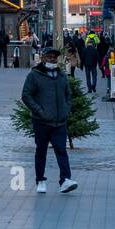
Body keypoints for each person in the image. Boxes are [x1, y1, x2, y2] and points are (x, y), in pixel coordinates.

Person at [21, 46, 78, 193]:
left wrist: (66, 110)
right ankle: (40, 180)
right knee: (41, 151)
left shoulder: (61, 76)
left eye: (55, 57)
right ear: (43, 58)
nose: (52, 59)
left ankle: (65, 179)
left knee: (61, 150)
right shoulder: (35, 75)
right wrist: (40, 111)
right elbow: (26, 95)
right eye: (49, 56)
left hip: (60, 121)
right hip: (42, 121)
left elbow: (68, 95)